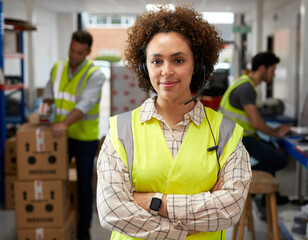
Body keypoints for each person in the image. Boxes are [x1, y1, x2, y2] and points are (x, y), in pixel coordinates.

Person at [96, 5, 252, 239]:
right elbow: (112, 211)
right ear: (144, 66)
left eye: (178, 60)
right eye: (156, 61)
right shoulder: (121, 131)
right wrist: (188, 225)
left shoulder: (225, 133)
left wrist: (152, 202)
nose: (166, 71)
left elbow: (229, 210)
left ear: (197, 64)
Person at [42, 30, 105, 240]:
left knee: (83, 185)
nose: (74, 55)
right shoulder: (58, 68)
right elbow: (49, 93)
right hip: (61, 136)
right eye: (72, 50)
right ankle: (57, 219)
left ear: (87, 52)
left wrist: (64, 124)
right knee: (55, 177)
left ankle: (83, 229)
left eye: (79, 52)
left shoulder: (95, 74)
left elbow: (85, 104)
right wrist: (44, 111)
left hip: (85, 138)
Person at [219, 52, 290, 204]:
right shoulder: (246, 88)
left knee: (270, 149)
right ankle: (246, 182)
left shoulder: (245, 83)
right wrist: (277, 132)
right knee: (279, 159)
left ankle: (267, 198)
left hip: (236, 137)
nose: (274, 74)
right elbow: (257, 123)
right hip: (237, 140)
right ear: (263, 69)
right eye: (272, 70)